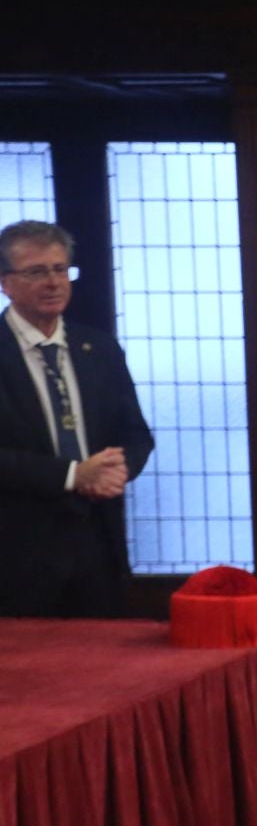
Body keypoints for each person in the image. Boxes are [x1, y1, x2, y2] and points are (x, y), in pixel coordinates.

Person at [0, 220, 154, 618]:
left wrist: (118, 469)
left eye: (60, 269)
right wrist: (72, 476)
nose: (52, 282)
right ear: (5, 283)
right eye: (36, 271)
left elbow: (135, 434)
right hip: (16, 552)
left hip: (97, 546)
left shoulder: (98, 348)